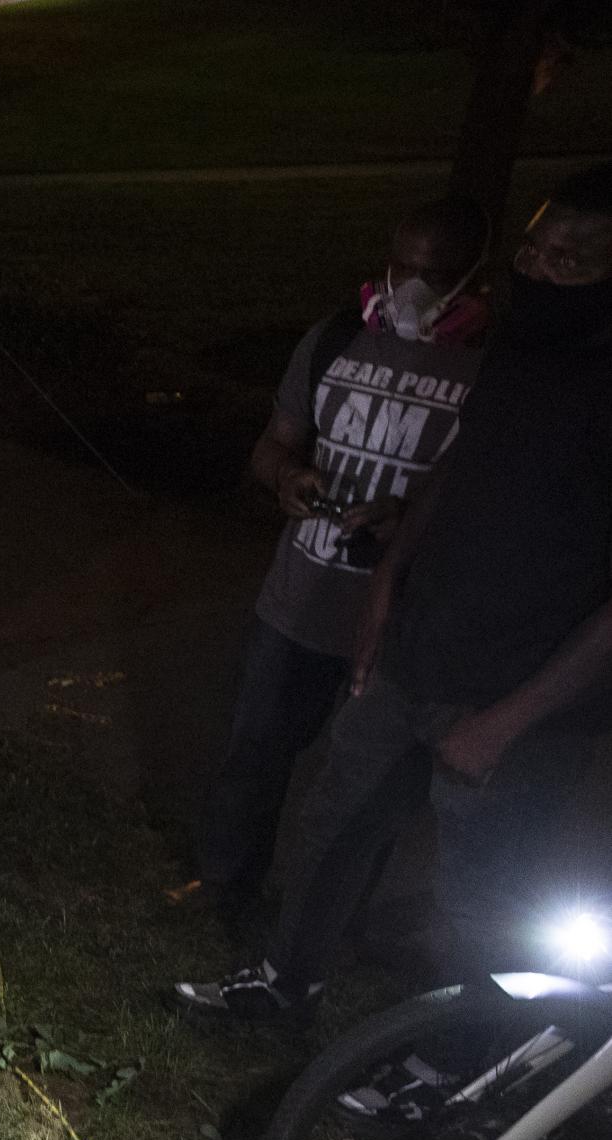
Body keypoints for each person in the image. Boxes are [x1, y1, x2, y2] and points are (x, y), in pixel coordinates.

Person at [177, 164, 612, 1021]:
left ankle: (461, 1072)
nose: (543, 269)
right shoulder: (525, 352)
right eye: (535, 248)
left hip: (515, 697)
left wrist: (510, 719)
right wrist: (386, 587)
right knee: (336, 823)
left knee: (485, 903)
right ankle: (283, 979)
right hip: (416, 653)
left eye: (572, 260)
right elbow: (458, 473)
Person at [193, 198, 490, 927]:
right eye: (403, 267)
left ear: (474, 278)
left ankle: (316, 928)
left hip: (394, 624)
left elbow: (490, 503)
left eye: (438, 273)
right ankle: (221, 896)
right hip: (297, 601)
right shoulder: (332, 340)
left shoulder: (494, 371)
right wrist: (287, 479)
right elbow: (272, 445)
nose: (413, 288)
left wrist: (408, 521)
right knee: (255, 757)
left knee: (360, 792)